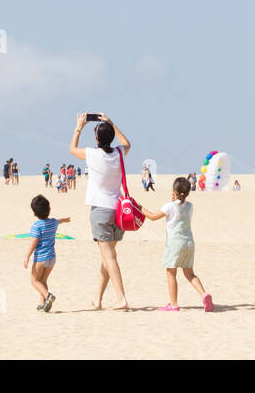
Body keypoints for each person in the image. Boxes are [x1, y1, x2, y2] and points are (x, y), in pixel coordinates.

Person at [68, 112, 131, 311]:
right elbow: (126, 143)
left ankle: (121, 298)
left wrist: (79, 126)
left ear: (96, 138)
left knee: (109, 257)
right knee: (108, 256)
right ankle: (98, 298)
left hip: (101, 210)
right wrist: (112, 122)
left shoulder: (93, 154)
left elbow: (72, 149)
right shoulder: (119, 153)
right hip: (118, 210)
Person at [142, 177, 213, 312]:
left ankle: (173, 304)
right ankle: (204, 294)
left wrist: (139, 207)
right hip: (189, 243)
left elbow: (152, 216)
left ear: (174, 192)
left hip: (175, 243)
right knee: (189, 273)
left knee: (171, 272)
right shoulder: (190, 206)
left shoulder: (169, 206)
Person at [24, 195, 70, 312]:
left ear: (34, 213)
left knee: (34, 281)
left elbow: (34, 242)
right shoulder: (53, 222)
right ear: (49, 209)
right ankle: (43, 303)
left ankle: (48, 296)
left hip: (41, 258)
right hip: (52, 258)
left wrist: (27, 256)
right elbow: (59, 221)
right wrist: (65, 220)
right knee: (43, 281)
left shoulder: (37, 226)